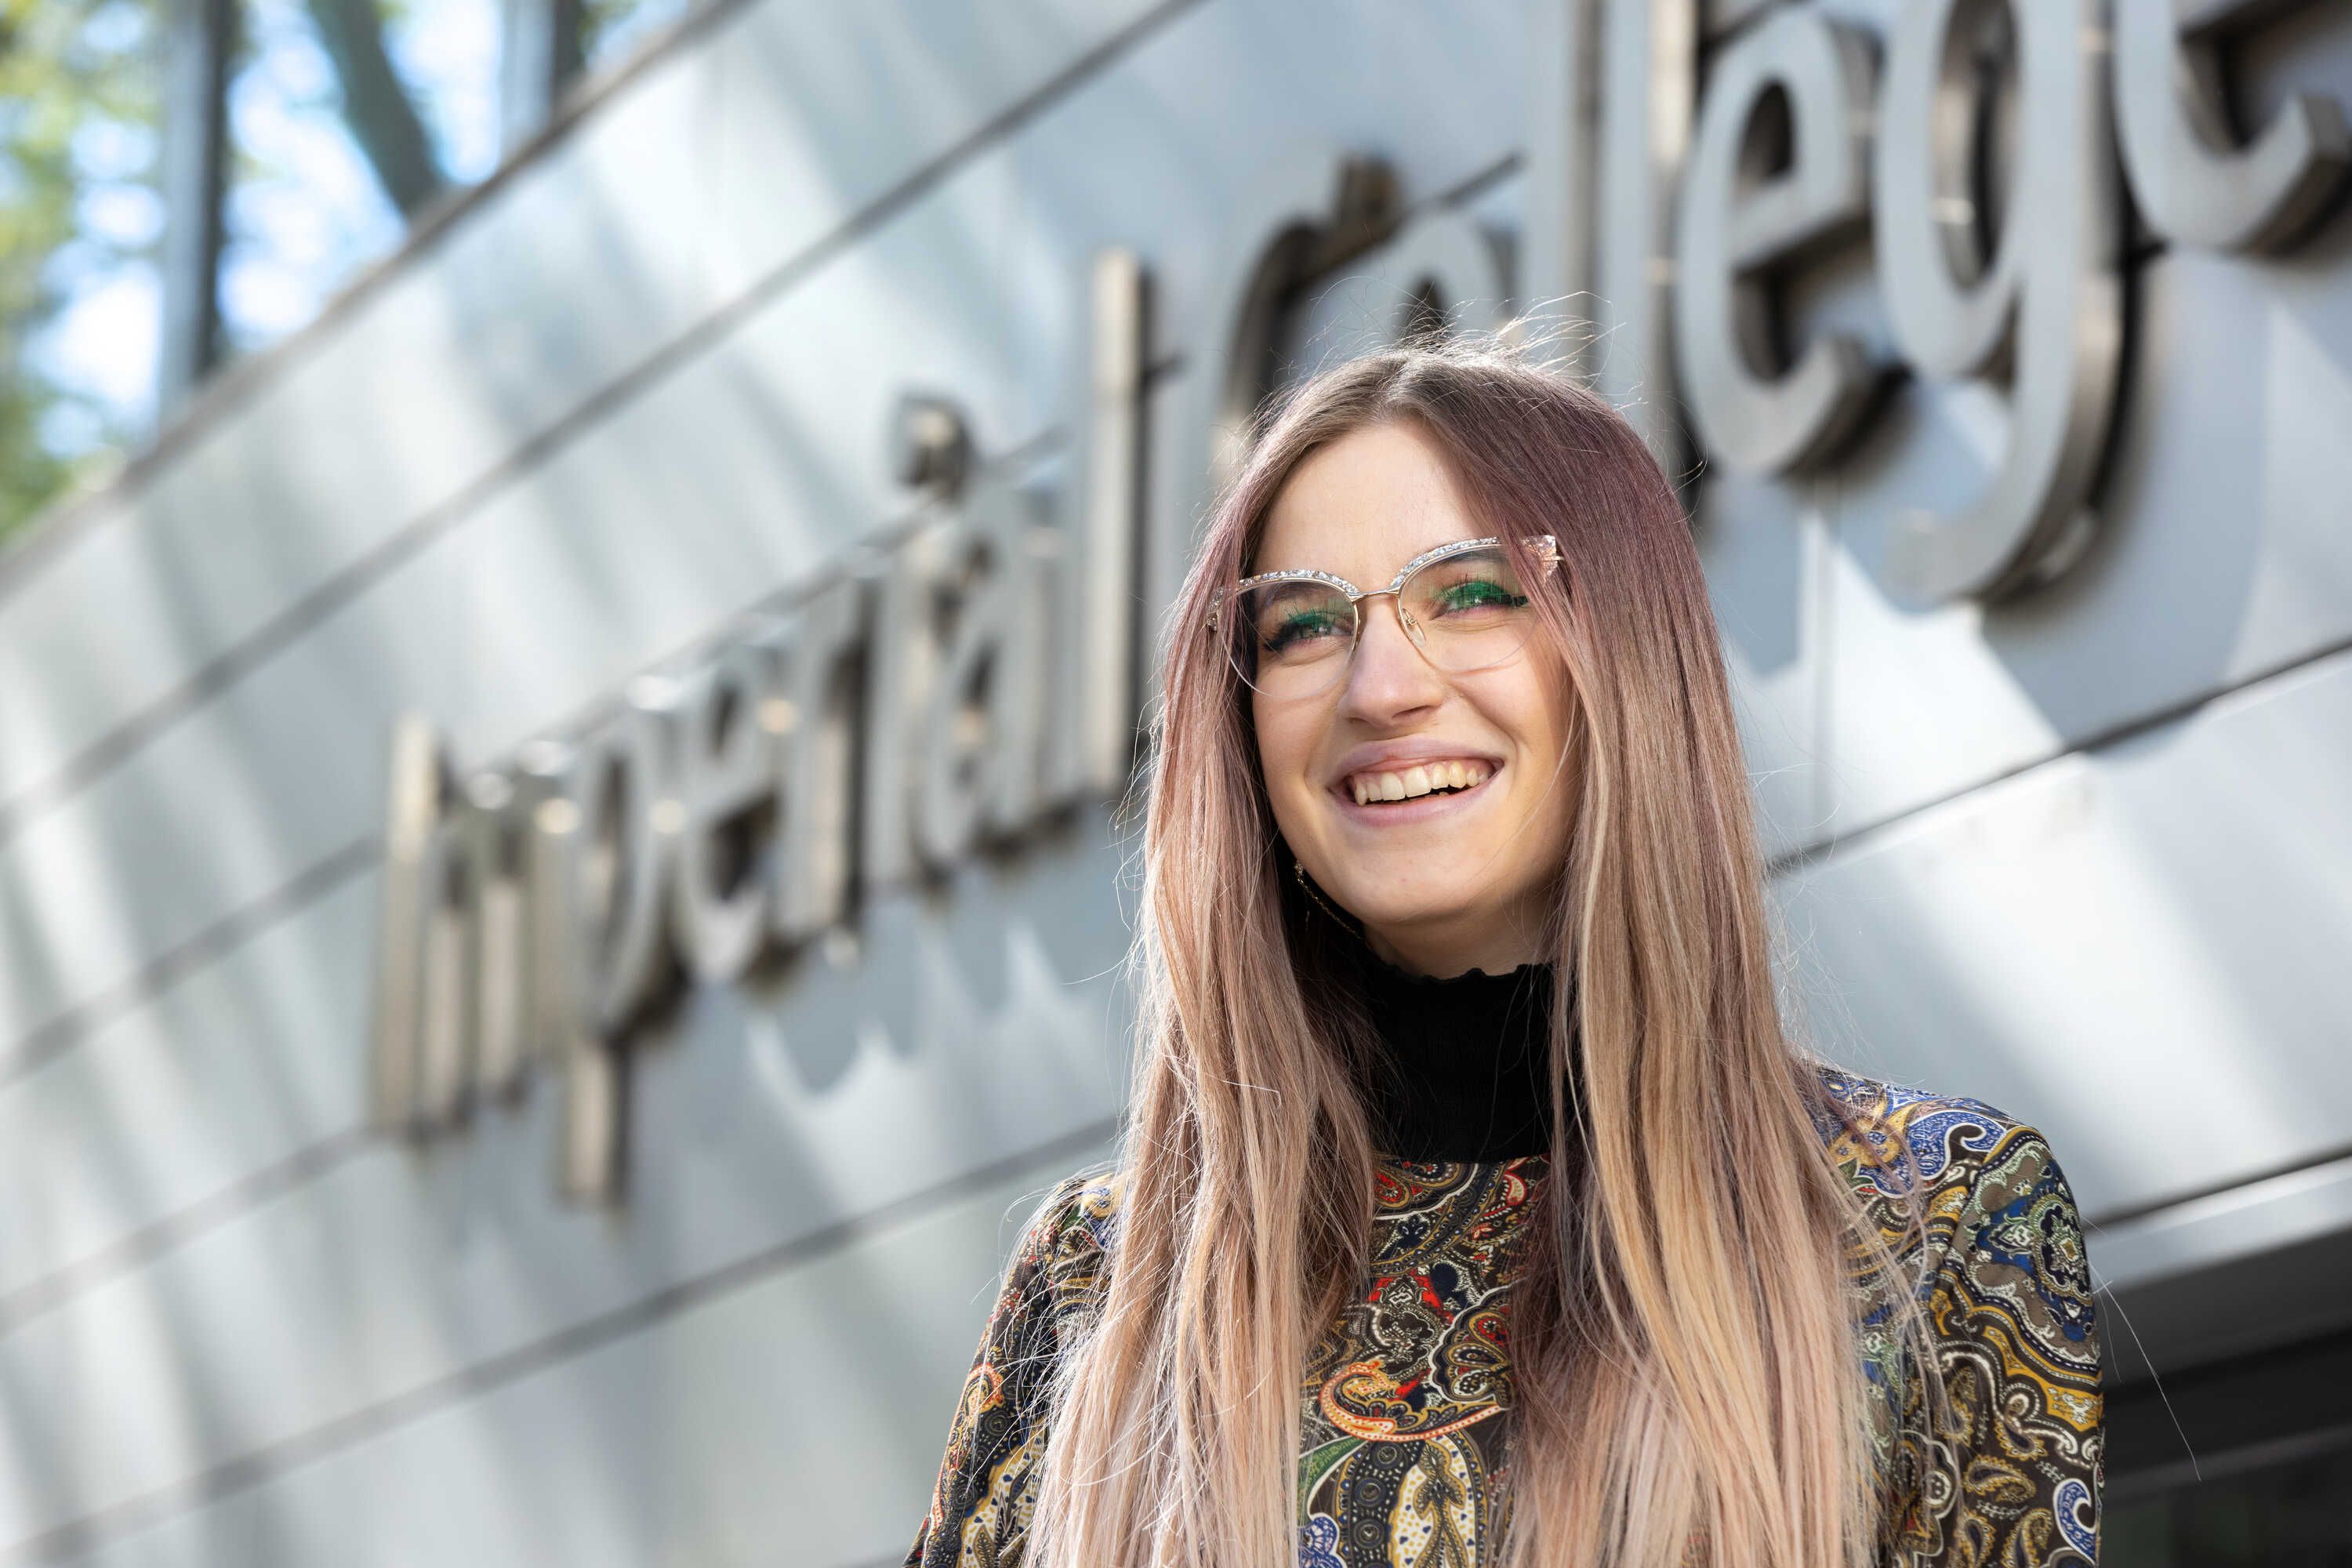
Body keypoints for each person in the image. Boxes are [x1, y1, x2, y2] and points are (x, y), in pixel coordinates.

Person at [902, 336, 2103, 1568]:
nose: (1381, 687)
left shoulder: (1934, 1216)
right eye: (1304, 626)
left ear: (1626, 655)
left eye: (1471, 593)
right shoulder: (1100, 1281)